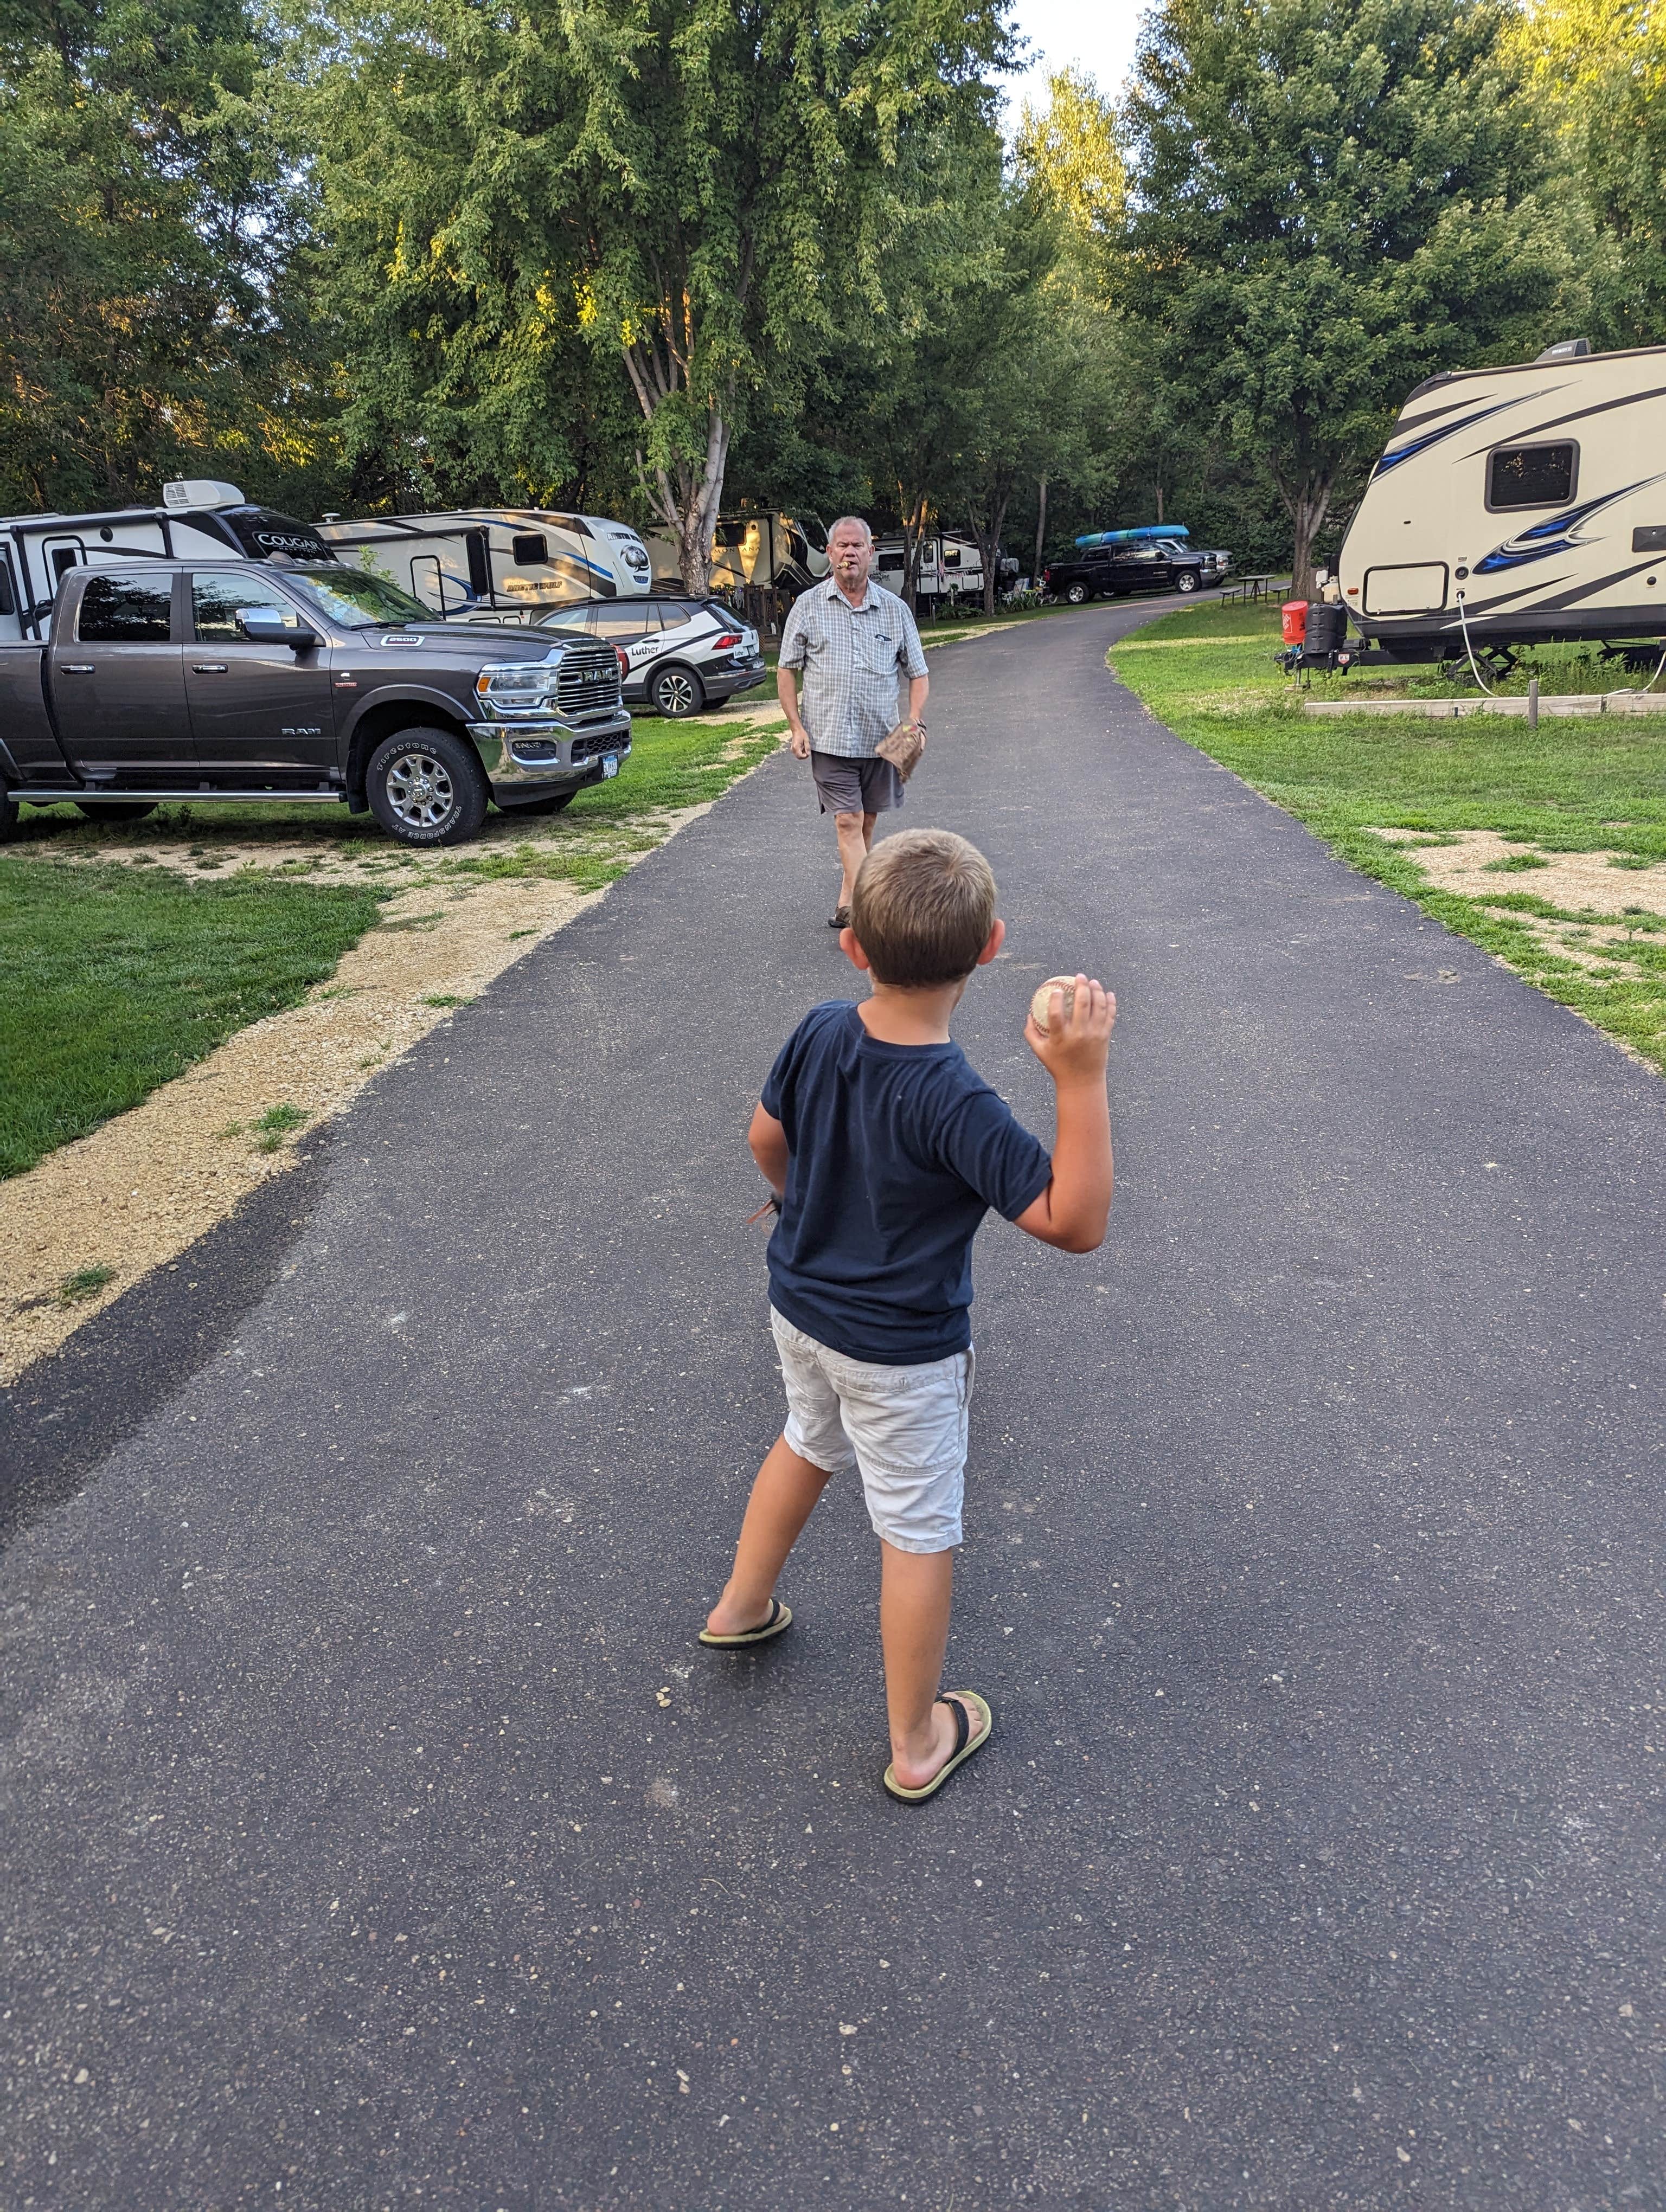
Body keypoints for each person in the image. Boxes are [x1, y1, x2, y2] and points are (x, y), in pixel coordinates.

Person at [701, 828, 1116, 1802]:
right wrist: (1081, 1079)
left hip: (800, 1308)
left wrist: (799, 1202)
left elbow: (764, 1137)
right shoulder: (957, 1101)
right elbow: (1074, 1222)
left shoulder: (818, 1029)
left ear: (853, 946)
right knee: (918, 1529)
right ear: (991, 947)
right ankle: (916, 1741)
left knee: (806, 1438)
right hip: (901, 1354)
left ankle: (740, 1606)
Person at [776, 517, 930, 930]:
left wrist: (914, 722)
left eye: (857, 546)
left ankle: (847, 900)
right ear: (829, 553)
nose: (849, 553)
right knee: (847, 820)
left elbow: (918, 673)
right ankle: (870, 911)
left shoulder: (895, 610)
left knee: (867, 821)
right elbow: (786, 669)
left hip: (882, 740)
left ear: (870, 553)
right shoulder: (808, 606)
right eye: (842, 546)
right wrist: (796, 727)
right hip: (829, 738)